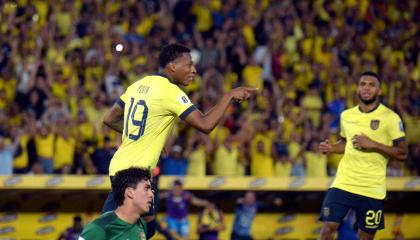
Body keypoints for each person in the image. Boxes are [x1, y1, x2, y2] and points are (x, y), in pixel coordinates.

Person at [102, 43, 256, 237]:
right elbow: (205, 124)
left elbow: (109, 119)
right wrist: (229, 95)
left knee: (147, 229)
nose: (194, 70)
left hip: (123, 168)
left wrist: (147, 138)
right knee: (117, 232)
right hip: (134, 175)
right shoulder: (169, 91)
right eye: (189, 64)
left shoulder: (137, 85)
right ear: (173, 66)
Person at [318, 72, 408, 240]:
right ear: (357, 88)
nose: (366, 88)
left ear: (379, 91)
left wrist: (373, 144)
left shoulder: (390, 118)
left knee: (365, 237)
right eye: (363, 84)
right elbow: (346, 144)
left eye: (371, 85)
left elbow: (402, 153)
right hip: (344, 182)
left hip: (372, 188)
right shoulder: (346, 115)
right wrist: (332, 147)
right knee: (327, 229)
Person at [79, 167, 154, 240]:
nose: (151, 194)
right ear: (129, 192)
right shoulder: (99, 228)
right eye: (146, 188)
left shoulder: (142, 225)